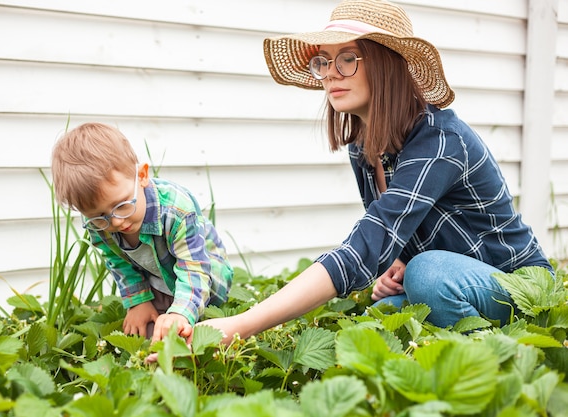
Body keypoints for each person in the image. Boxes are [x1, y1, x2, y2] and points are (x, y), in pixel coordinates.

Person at [200, 0, 553, 343]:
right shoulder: (363, 146)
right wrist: (397, 261)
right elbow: (389, 236)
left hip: (520, 287)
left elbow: (370, 241)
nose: (330, 73)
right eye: (323, 61)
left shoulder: (439, 139)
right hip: (461, 277)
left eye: (348, 58)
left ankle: (497, 356)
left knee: (427, 275)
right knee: (383, 313)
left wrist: (242, 324)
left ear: (387, 64)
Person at [51, 122, 233, 343]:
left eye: (122, 205)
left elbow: (194, 268)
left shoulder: (177, 210)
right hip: (159, 276)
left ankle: (193, 319)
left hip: (204, 275)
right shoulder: (98, 223)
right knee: (146, 333)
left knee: (193, 334)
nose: (116, 221)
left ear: (142, 175)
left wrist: (179, 313)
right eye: (100, 216)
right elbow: (118, 262)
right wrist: (138, 302)